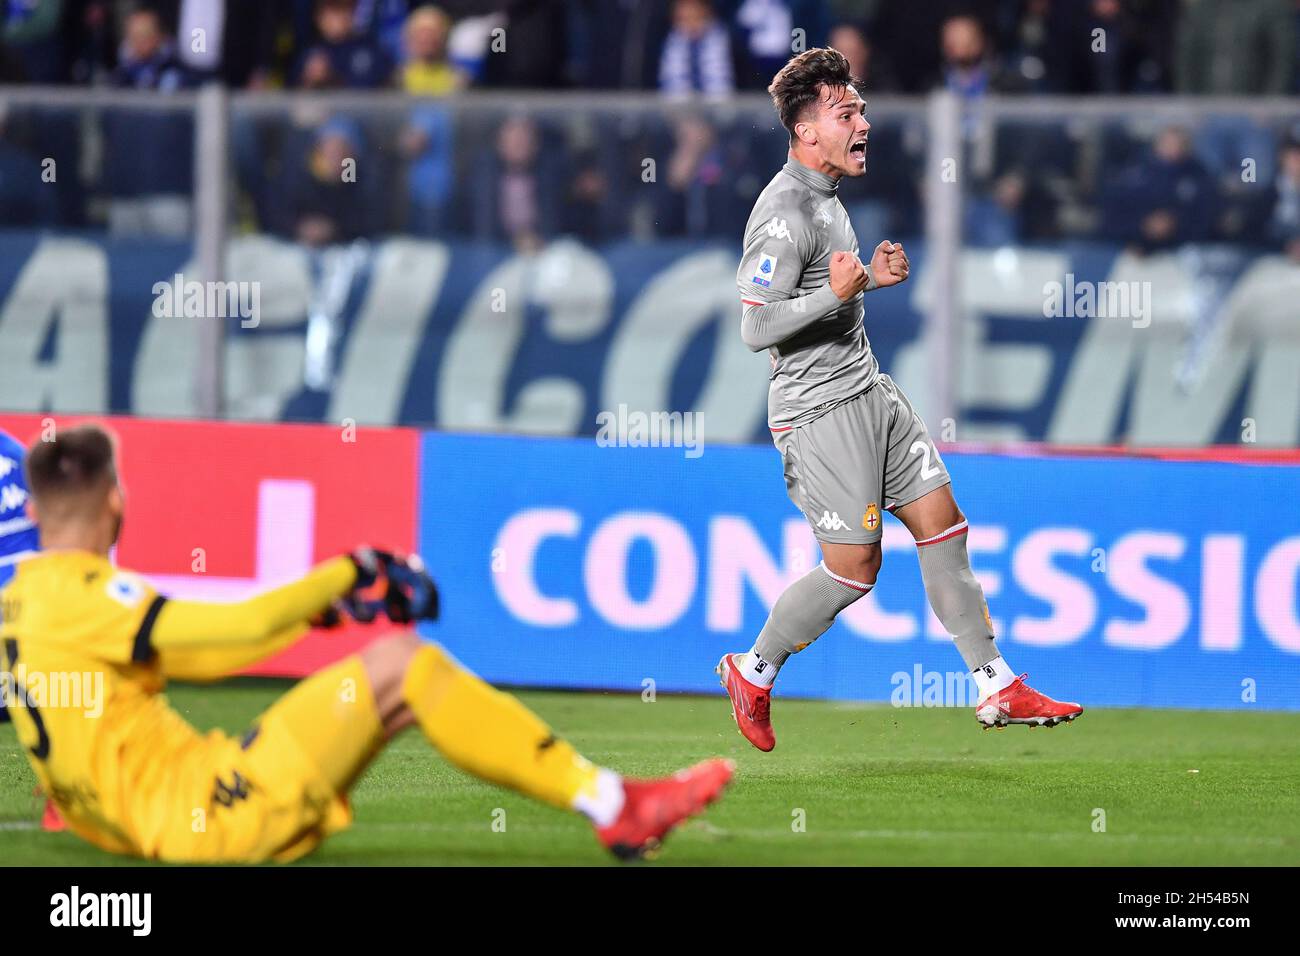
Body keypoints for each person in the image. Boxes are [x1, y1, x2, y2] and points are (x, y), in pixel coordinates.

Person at [1, 423, 732, 862]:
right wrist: (351, 567)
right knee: (407, 666)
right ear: (116, 501)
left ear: (34, 509)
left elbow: (199, 657)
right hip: (206, 815)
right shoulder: (92, 597)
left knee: (392, 677)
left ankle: (611, 804)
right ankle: (614, 805)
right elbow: (239, 631)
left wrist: (319, 616)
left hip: (141, 817)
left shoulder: (22, 597)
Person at [719, 48, 1083, 751]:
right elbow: (754, 325)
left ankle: (996, 685)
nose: (864, 121)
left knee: (944, 526)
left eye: (861, 107)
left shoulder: (826, 198)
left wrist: (868, 286)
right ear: (805, 130)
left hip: (869, 389)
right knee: (855, 570)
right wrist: (841, 291)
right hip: (820, 411)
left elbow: (822, 299)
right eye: (845, 111)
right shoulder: (784, 212)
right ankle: (753, 669)